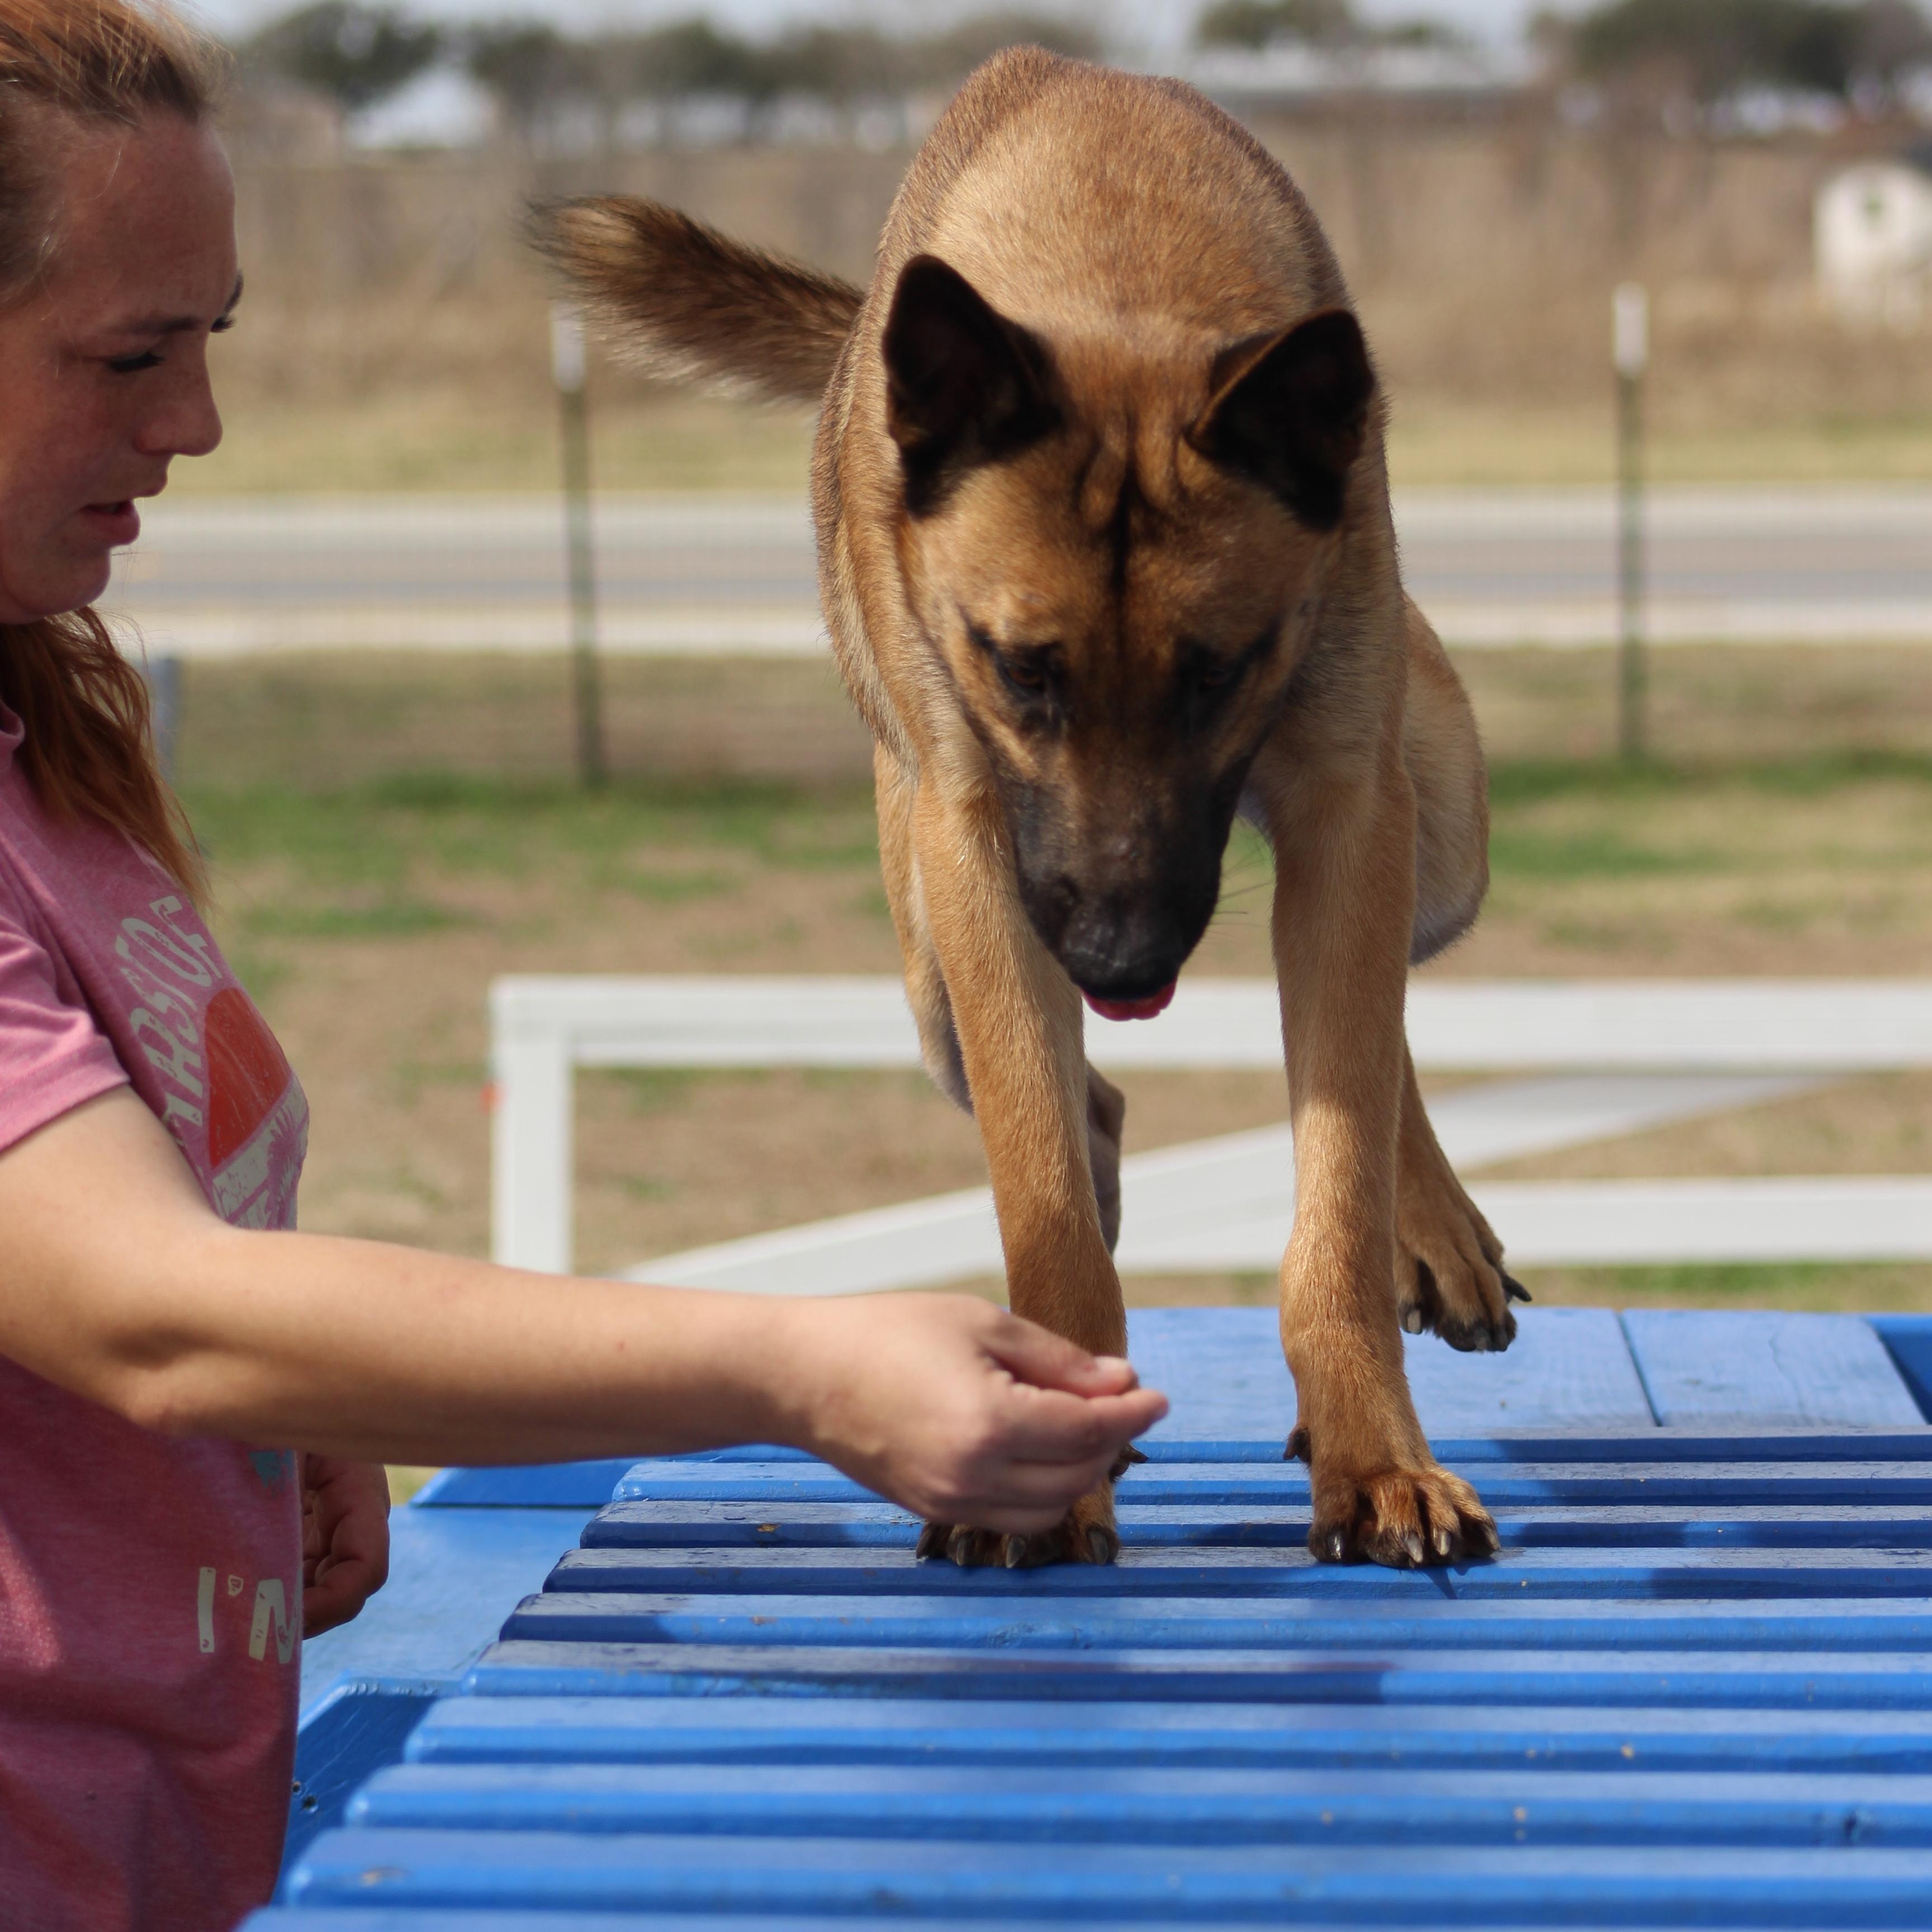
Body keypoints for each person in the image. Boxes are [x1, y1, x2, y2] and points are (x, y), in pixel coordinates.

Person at [0, 4, 1167, 1926]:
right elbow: (151, 1311)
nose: (196, 422)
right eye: (129, 353)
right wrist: (799, 1369)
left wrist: (300, 1407)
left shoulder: (42, 729)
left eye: (214, 340)